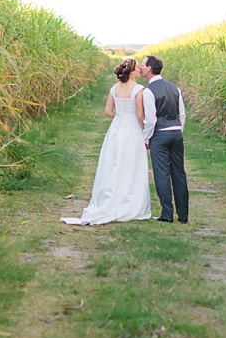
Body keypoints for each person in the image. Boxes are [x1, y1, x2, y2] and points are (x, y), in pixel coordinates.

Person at [61, 58, 153, 225]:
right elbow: (140, 115)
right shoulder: (139, 90)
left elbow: (107, 111)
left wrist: (120, 116)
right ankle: (128, 202)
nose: (140, 69)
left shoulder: (114, 88)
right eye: (138, 67)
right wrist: (143, 131)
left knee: (113, 164)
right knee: (130, 165)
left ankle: (109, 199)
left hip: (116, 130)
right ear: (132, 72)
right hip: (132, 131)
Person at [138, 55, 189, 223]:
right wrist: (178, 130)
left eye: (143, 66)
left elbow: (151, 119)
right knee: (179, 173)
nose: (141, 68)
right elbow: (181, 113)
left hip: (160, 135)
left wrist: (147, 138)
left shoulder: (148, 91)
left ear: (150, 69)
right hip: (176, 133)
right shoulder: (175, 88)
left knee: (162, 174)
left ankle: (167, 213)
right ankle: (183, 215)